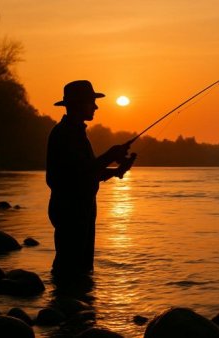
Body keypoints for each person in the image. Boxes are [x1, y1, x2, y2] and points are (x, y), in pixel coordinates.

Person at [46, 80, 136, 276]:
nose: (96, 106)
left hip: (81, 206)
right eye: (91, 101)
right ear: (78, 104)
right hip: (70, 208)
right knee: (70, 265)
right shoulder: (64, 134)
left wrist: (115, 171)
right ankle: (66, 302)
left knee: (82, 266)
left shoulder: (76, 133)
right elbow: (80, 172)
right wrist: (110, 156)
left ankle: (74, 301)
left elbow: (86, 172)